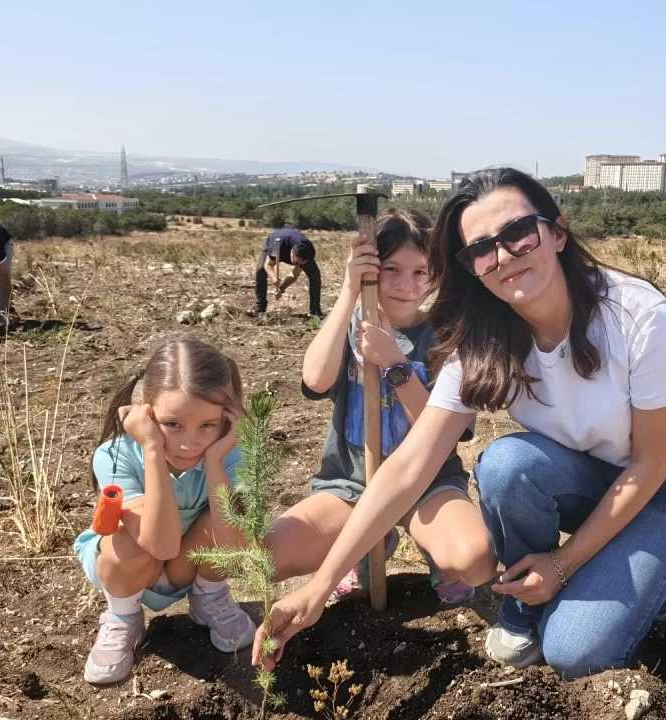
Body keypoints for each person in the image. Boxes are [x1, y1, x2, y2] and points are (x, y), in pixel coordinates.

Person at [251, 168, 666, 679]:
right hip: (578, 475)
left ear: (556, 233)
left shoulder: (634, 313)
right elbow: (409, 465)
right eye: (481, 249)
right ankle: (531, 601)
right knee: (506, 464)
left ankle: (660, 578)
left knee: (574, 653)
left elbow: (651, 463)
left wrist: (562, 565)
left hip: (665, 482)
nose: (505, 256)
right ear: (470, 267)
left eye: (518, 233)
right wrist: (318, 588)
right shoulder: (482, 338)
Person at [264, 210, 493, 606]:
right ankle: (371, 539)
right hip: (352, 486)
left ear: (436, 273)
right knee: (267, 559)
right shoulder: (353, 324)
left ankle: (439, 558)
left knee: (475, 561)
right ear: (372, 269)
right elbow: (316, 379)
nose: (406, 284)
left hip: (427, 486)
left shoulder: (450, 336)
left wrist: (396, 365)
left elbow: (437, 430)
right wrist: (349, 292)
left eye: (421, 272)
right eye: (391, 269)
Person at [74, 337, 256, 685]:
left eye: (207, 425)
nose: (189, 443)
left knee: (231, 519)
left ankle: (209, 595)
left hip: (187, 562)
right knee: (124, 541)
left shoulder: (233, 454)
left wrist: (216, 461)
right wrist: (152, 450)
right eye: (172, 424)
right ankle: (123, 617)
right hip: (132, 565)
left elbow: (234, 544)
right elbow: (159, 545)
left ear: (228, 417)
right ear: (145, 411)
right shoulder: (116, 455)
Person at [254, 228, 322, 317]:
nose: (298, 265)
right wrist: (274, 278)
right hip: (278, 242)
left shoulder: (309, 251)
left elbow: (295, 273)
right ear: (292, 252)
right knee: (260, 270)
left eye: (301, 264)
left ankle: (315, 310)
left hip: (296, 246)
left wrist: (281, 288)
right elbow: (268, 264)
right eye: (296, 262)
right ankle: (260, 306)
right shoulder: (277, 245)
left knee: (315, 276)